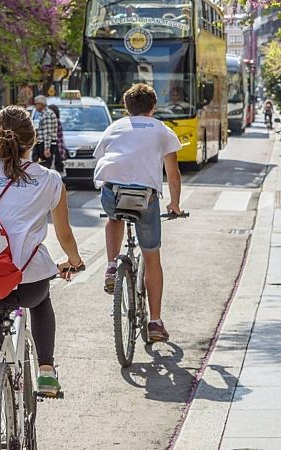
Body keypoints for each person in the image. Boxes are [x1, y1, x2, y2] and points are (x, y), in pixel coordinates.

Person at [0, 105, 83, 450]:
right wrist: (74, 262)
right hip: (26, 282)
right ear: (33, 140)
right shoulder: (49, 179)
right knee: (42, 300)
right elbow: (65, 235)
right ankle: (46, 369)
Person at [93, 83, 183, 342]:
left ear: (126, 108)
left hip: (112, 193)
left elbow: (102, 158)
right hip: (145, 197)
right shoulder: (162, 130)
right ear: (153, 107)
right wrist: (175, 204)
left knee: (114, 217)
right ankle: (155, 323)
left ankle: (112, 266)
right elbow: (173, 174)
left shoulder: (114, 127)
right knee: (152, 258)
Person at [31, 95, 62, 171]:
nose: (35, 106)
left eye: (36, 104)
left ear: (41, 104)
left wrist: (47, 148)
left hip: (46, 144)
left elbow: (48, 133)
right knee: (41, 165)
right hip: (43, 143)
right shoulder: (43, 114)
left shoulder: (47, 114)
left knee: (45, 166)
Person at [48, 104, 67, 170]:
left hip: (55, 149)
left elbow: (59, 138)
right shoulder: (57, 121)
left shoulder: (54, 122)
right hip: (57, 149)